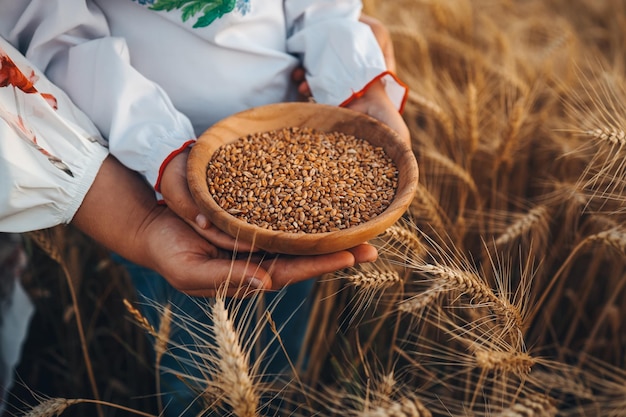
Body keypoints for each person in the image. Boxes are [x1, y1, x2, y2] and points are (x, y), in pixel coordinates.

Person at [1, 2, 408, 414]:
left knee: (282, 351)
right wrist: (159, 153)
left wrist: (355, 79)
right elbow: (54, 36)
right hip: (149, 185)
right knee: (199, 379)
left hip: (302, 132)